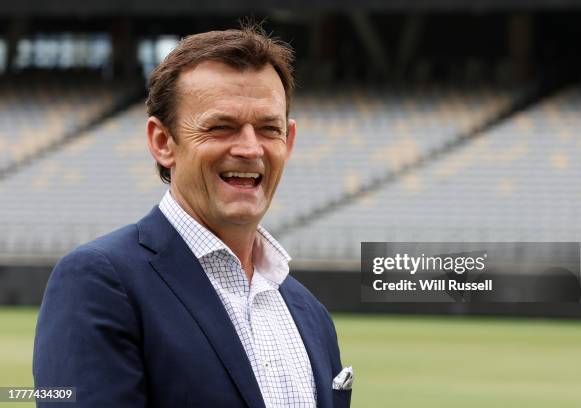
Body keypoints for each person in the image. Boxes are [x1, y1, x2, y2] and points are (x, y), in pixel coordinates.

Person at [33, 25, 351, 407]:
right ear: (162, 142)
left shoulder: (309, 313)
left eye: (269, 129)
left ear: (289, 141)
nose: (250, 148)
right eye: (221, 127)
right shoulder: (99, 282)